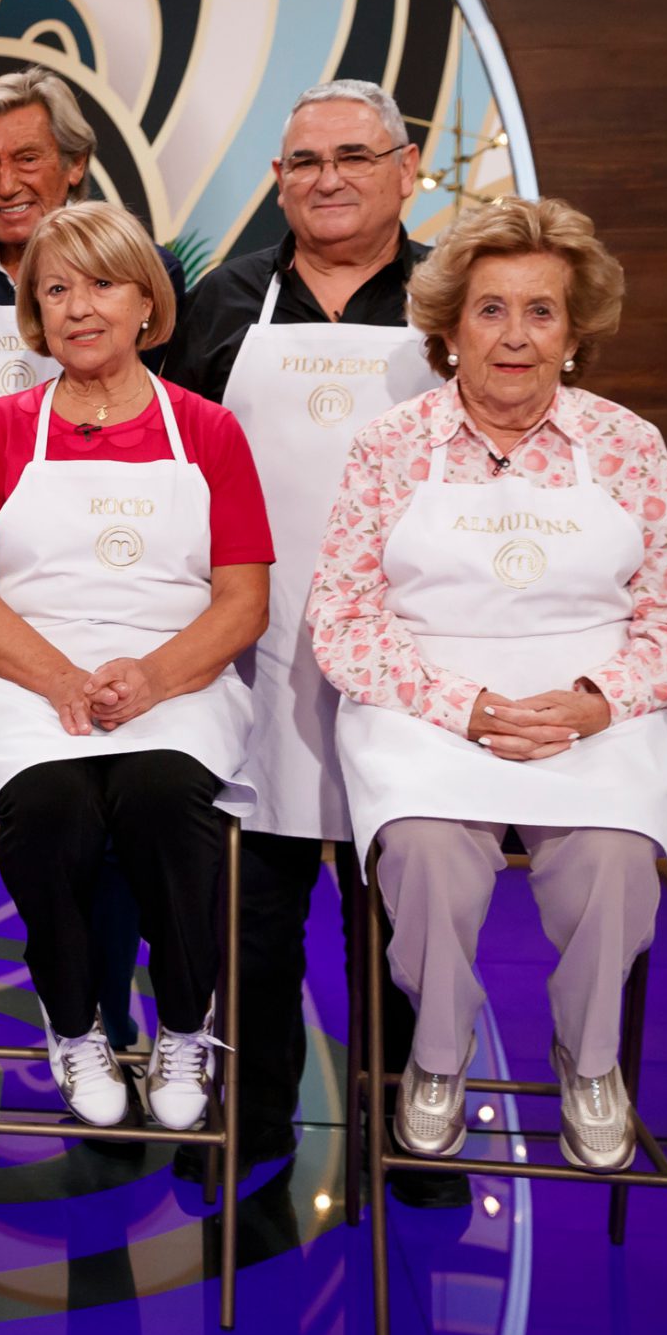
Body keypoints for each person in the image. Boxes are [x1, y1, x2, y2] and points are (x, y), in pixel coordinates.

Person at [313, 197, 667, 1171]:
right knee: (423, 853)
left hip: (594, 713)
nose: (514, 335)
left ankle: (588, 1060)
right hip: (428, 707)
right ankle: (438, 1055)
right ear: (450, 328)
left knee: (617, 859)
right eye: (490, 309)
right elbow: (342, 618)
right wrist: (468, 708)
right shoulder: (388, 445)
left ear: (574, 333)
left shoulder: (625, 445)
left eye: (541, 311)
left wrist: (594, 700)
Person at [166, 78, 453, 1199]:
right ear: (277, 179)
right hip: (250, 639)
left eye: (351, 155)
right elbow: (170, 463)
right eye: (301, 162)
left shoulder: (452, 297)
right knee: (252, 901)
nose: (325, 179)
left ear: (406, 164)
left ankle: (401, 1121)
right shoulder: (226, 301)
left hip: (413, 644)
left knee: (394, 899)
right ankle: (257, 1109)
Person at [0, 68, 180, 1141]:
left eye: (26, 158)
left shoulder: (123, 264)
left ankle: (101, 1026)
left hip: (104, 591)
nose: (5, 182)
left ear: (74, 163)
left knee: (99, 827)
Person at [0, 202, 268, 1129]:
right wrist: (60, 681)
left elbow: (244, 602)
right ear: (35, 315)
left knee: (165, 800)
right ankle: (75, 1023)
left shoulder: (208, 430)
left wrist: (155, 678)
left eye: (103, 284)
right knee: (53, 812)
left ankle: (182, 1024)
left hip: (177, 677)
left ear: (145, 302)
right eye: (56, 289)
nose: (80, 307)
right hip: (24, 681)